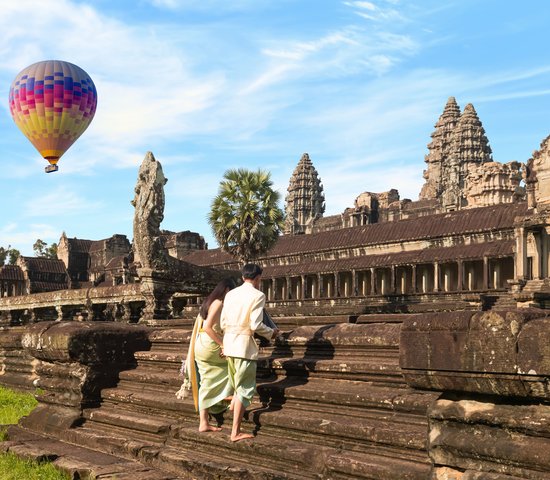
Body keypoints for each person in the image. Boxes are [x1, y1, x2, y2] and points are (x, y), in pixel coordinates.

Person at [221, 263, 279, 442]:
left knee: (237, 385)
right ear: (258, 278)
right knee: (244, 390)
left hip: (229, 345)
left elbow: (223, 322)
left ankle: (234, 409)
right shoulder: (258, 295)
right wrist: (271, 332)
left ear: (242, 277)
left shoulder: (231, 294)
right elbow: (255, 324)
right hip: (244, 346)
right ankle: (235, 432)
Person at [183, 277, 236, 432]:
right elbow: (207, 327)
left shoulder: (209, 302)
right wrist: (223, 344)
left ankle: (204, 421)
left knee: (206, 381)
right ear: (226, 290)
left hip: (201, 345)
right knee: (233, 367)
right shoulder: (219, 303)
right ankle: (228, 400)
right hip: (210, 345)